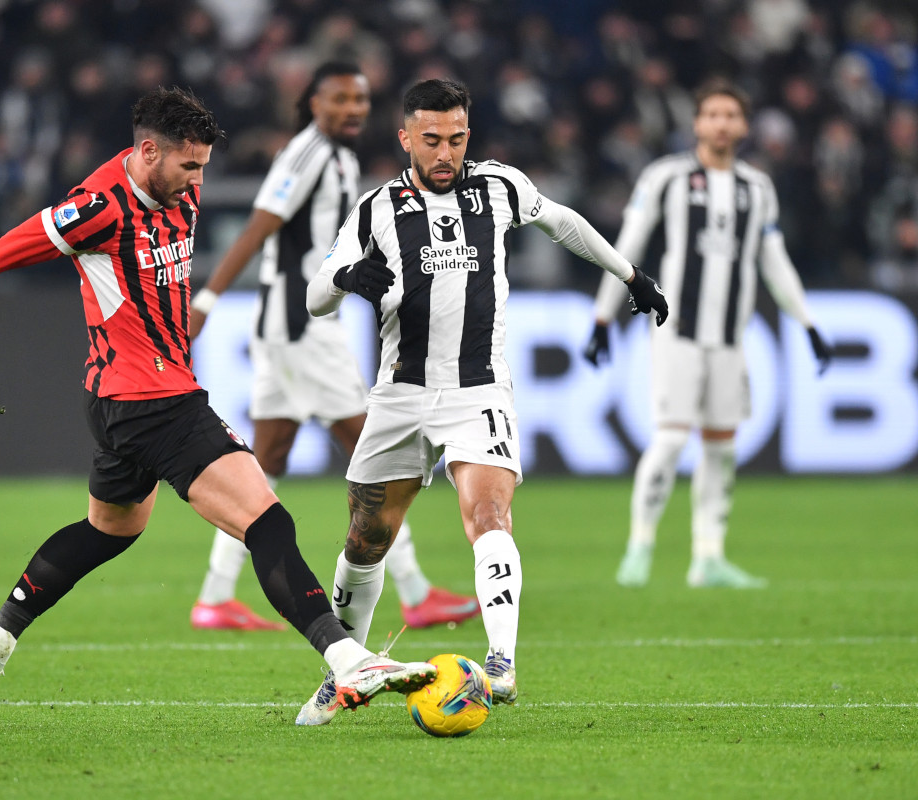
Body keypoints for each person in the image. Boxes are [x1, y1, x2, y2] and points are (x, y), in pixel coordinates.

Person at [0, 86, 435, 722]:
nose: (198, 180)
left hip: (118, 404)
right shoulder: (94, 208)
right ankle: (347, 661)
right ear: (146, 152)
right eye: (189, 166)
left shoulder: (175, 188)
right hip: (152, 401)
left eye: (203, 166)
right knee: (267, 522)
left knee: (109, 531)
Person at [294, 78, 668, 725]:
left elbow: (563, 223)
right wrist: (348, 278)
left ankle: (500, 661)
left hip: (479, 390)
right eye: (432, 140)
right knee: (365, 540)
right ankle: (343, 669)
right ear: (406, 137)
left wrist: (629, 275)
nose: (446, 153)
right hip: (400, 394)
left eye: (458, 138)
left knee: (489, 515)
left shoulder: (499, 187)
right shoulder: (376, 208)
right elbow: (314, 295)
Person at [188, 61, 480, 632]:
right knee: (376, 447)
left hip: (295, 327)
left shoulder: (341, 158)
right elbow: (259, 226)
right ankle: (417, 592)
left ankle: (215, 597)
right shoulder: (307, 151)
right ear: (313, 102)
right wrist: (207, 300)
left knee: (266, 460)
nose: (352, 109)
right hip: (301, 327)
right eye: (340, 98)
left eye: (361, 100)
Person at [583, 77, 832, 589]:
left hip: (730, 339)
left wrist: (807, 322)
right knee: (672, 438)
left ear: (744, 126)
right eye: (712, 114)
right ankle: (640, 547)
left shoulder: (757, 188)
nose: (721, 123)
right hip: (676, 332)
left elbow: (774, 261)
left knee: (721, 447)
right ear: (697, 123)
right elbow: (627, 242)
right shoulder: (666, 177)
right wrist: (603, 316)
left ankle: (708, 557)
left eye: (731, 115)